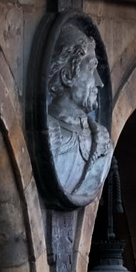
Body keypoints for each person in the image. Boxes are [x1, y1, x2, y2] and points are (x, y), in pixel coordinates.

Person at [44, 24, 110, 201]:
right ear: (66, 76)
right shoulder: (46, 135)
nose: (99, 83)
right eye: (91, 69)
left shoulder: (102, 142)